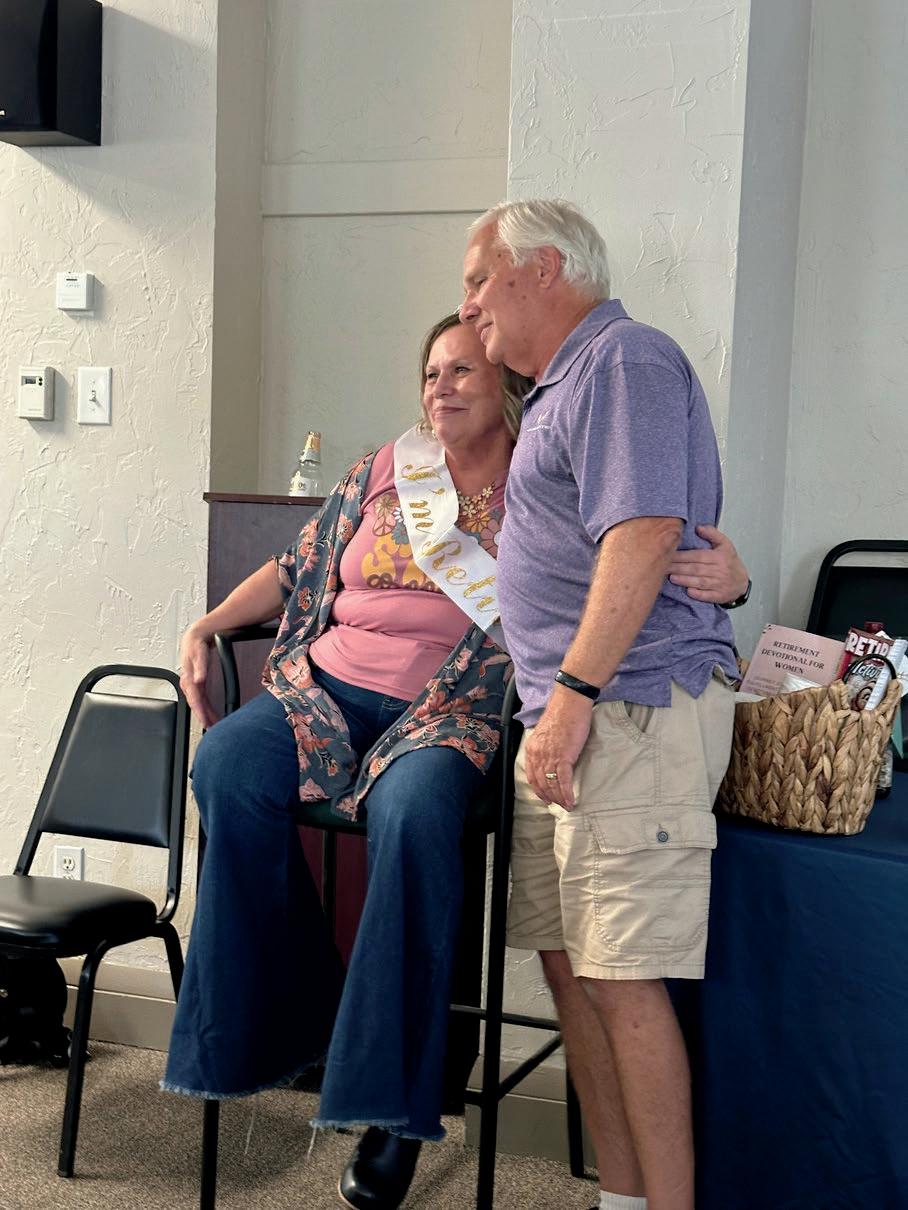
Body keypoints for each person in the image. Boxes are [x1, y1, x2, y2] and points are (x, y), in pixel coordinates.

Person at [162, 310, 747, 1210]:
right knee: (227, 769)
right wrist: (204, 626)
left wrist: (728, 580)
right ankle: (299, 1019)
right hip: (329, 688)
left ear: (507, 385)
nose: (442, 385)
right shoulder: (384, 470)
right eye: (432, 372)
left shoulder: (545, 473)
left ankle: (393, 1105)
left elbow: (637, 555)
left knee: (413, 812)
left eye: (464, 369)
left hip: (456, 703)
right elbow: (293, 570)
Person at [460, 199, 741, 1210]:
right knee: (574, 971)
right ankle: (619, 1199)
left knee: (622, 976)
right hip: (570, 716)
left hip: (627, 710)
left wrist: (574, 695)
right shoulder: (558, 386)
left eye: (478, 279)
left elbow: (643, 534)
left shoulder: (623, 359)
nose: (468, 305)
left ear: (542, 269)